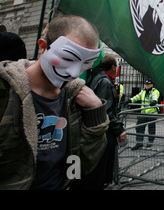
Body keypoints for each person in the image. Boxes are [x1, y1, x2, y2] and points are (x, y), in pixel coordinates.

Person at [0, 14, 109, 190]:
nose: (74, 72)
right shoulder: (5, 92)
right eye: (67, 58)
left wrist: (95, 115)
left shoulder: (75, 98)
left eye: (86, 63)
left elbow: (82, 165)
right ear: (43, 47)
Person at [71, 55, 126, 189]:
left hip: (94, 131)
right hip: (103, 132)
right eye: (116, 65)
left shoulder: (97, 78)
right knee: (99, 170)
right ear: (113, 67)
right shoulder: (105, 82)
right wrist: (119, 130)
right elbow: (105, 110)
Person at [129, 78, 160, 150]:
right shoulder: (143, 91)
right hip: (143, 113)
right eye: (146, 84)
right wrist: (130, 100)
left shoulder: (155, 91)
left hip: (151, 114)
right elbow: (137, 97)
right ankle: (139, 142)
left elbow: (155, 96)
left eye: (148, 84)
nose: (147, 86)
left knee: (151, 128)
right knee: (139, 127)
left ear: (152, 85)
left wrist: (154, 101)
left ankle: (150, 141)